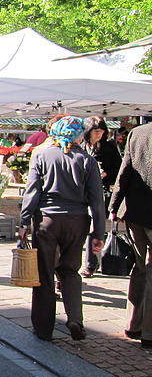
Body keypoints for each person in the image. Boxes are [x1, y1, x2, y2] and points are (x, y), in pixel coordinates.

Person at [18, 116, 105, 342]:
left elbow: (32, 191)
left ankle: (44, 329)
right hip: (77, 221)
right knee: (70, 271)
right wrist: (98, 233)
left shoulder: (42, 155)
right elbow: (97, 201)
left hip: (47, 220)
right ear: (78, 135)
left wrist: (24, 222)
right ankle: (75, 319)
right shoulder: (87, 160)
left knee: (45, 274)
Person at [108, 123, 152, 349]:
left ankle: (133, 324)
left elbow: (125, 171)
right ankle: (149, 332)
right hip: (142, 212)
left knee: (140, 267)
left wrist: (114, 205)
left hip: (135, 210)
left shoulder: (139, 132)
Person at [81, 116, 123, 277]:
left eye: (101, 131)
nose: (99, 134)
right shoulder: (83, 146)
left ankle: (90, 264)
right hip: (81, 192)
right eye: (95, 131)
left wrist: (105, 173)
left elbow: (119, 169)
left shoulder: (109, 147)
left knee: (94, 227)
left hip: (101, 190)